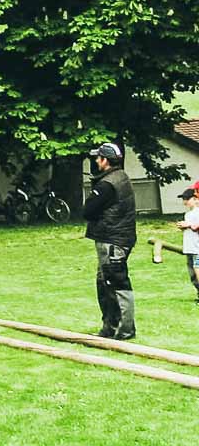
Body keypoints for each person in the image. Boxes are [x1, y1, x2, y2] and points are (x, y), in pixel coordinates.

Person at [84, 142, 137, 340]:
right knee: (104, 282)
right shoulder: (121, 177)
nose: (96, 161)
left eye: (98, 157)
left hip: (112, 239)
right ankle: (110, 327)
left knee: (116, 282)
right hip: (117, 237)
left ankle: (124, 330)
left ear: (105, 161)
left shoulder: (107, 184)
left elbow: (88, 211)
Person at [177, 184, 199, 303]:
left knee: (198, 270)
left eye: (187, 199)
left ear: (195, 199)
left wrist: (189, 225)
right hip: (189, 248)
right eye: (183, 199)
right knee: (192, 274)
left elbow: (196, 227)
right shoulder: (188, 214)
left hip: (197, 249)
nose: (185, 202)